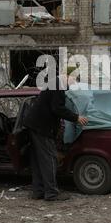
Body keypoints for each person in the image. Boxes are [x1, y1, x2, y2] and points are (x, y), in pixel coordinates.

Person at [23, 72, 88, 201]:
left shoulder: (55, 84)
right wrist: (76, 117)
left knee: (38, 160)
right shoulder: (57, 86)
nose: (74, 84)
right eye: (74, 80)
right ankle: (52, 193)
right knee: (49, 159)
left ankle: (38, 191)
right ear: (66, 75)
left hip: (35, 125)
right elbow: (57, 108)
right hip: (41, 127)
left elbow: (54, 108)